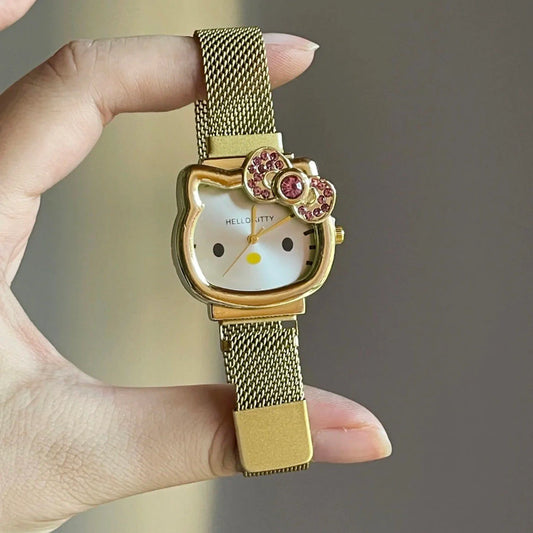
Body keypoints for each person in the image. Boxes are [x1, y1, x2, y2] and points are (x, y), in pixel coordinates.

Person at [0, 3, 391, 531]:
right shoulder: (204, 187)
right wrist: (269, 443)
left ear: (323, 243)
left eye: (280, 241)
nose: (255, 248)